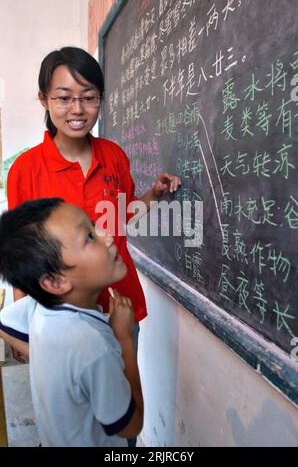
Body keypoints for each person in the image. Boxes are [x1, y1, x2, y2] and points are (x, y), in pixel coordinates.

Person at [4, 46, 181, 362]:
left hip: (118, 306)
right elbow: (22, 253)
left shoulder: (113, 156)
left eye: (88, 97)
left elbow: (119, 217)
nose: (77, 109)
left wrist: (154, 195)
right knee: (74, 408)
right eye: (64, 97)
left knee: (123, 400)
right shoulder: (26, 169)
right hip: (59, 316)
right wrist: (24, 323)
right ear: (44, 99)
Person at [0, 198, 144, 447]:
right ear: (55, 282)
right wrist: (124, 339)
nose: (107, 236)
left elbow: (4, 321)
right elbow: (131, 425)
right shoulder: (92, 346)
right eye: (89, 237)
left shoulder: (39, 306)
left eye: (94, 226)